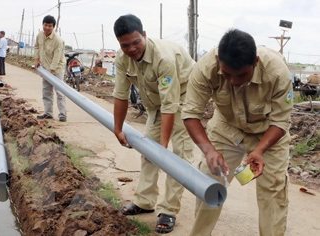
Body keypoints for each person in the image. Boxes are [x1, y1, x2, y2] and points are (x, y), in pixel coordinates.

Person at [182, 29, 292, 235]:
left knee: (272, 191)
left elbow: (280, 120)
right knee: (210, 183)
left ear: (256, 62)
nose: (233, 81)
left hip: (267, 132)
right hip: (226, 128)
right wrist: (209, 151)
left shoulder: (277, 72)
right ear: (218, 61)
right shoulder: (206, 67)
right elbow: (190, 114)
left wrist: (259, 150)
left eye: (241, 74)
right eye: (226, 74)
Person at [112, 14, 195, 234]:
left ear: (144, 35)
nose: (131, 49)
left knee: (177, 156)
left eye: (136, 42)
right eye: (125, 45)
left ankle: (168, 209)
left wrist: (163, 144)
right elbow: (120, 95)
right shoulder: (122, 59)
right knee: (149, 151)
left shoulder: (163, 58)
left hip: (185, 99)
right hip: (157, 103)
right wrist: (117, 129)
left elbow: (171, 104)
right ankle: (145, 201)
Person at [34, 15, 67, 122]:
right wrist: (37, 59)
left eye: (50, 26)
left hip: (56, 69)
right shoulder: (40, 35)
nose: (47, 27)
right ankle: (48, 113)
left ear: (53, 27)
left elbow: (57, 58)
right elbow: (37, 47)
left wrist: (51, 71)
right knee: (46, 91)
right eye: (45, 25)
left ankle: (62, 114)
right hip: (45, 68)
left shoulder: (58, 40)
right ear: (42, 25)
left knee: (59, 91)